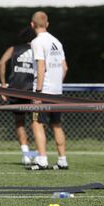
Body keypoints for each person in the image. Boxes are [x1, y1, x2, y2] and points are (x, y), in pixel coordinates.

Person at [28, 11, 69, 170]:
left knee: (37, 123)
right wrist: (56, 83)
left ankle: (42, 159)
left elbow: (41, 66)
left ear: (32, 24)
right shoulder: (57, 42)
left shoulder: (37, 42)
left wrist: (38, 91)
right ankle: (62, 159)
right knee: (56, 124)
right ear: (47, 24)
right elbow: (65, 67)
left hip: (43, 91)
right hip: (57, 91)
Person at [0, 26, 36, 165]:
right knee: (36, 123)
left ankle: (26, 154)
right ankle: (37, 154)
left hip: (15, 90)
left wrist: (3, 84)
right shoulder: (37, 49)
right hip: (32, 90)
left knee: (19, 123)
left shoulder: (13, 49)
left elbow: (2, 62)